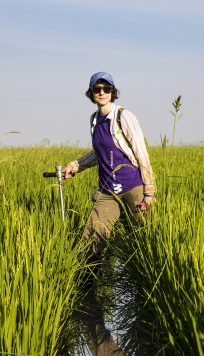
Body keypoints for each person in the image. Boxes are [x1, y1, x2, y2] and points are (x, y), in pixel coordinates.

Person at [62, 71, 156, 260]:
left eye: (107, 89)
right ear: (91, 93)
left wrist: (149, 190)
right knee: (91, 240)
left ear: (113, 92)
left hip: (133, 187)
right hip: (107, 192)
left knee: (145, 238)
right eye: (97, 89)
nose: (102, 92)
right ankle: (86, 283)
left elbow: (140, 151)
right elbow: (100, 153)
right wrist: (75, 166)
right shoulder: (94, 120)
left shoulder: (124, 116)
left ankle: (148, 278)